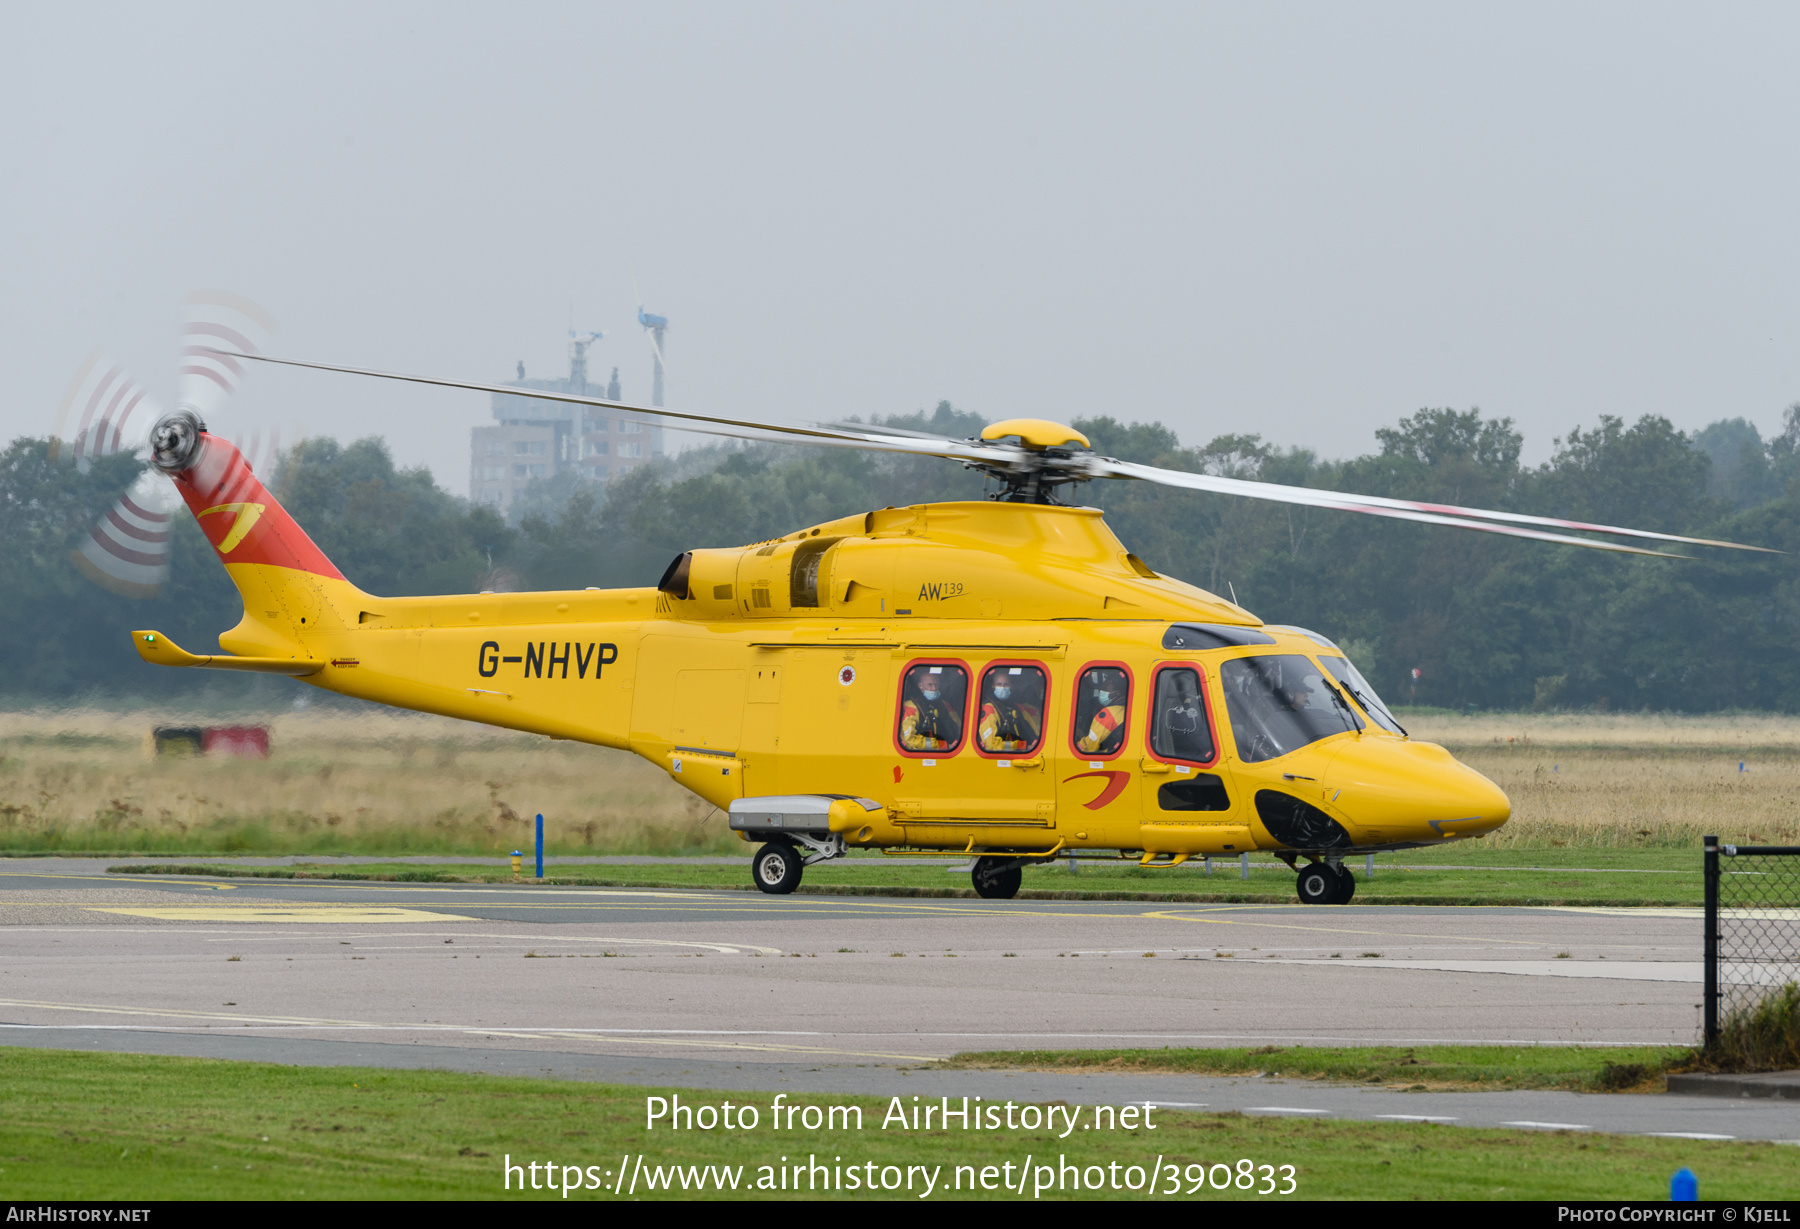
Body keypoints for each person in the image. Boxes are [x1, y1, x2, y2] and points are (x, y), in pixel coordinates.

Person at [978, 668, 1043, 753]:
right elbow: (991, 745)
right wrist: (1021, 746)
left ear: (1011, 687)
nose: (1002, 687)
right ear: (993, 686)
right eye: (999, 684)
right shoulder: (989, 709)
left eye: (1006, 684)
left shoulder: (1015, 707)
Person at [900, 667, 962, 751]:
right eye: (930, 685)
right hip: (919, 756)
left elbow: (959, 728)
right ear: (920, 685)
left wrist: (958, 743)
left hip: (949, 753)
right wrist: (942, 745)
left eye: (936, 685)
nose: (934, 688)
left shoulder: (945, 705)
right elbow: (909, 740)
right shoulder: (910, 707)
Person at [1075, 668, 1128, 755]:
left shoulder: (1108, 714)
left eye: (1105, 689)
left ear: (1116, 694)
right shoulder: (1125, 710)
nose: (1101, 692)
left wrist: (1077, 742)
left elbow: (1089, 746)